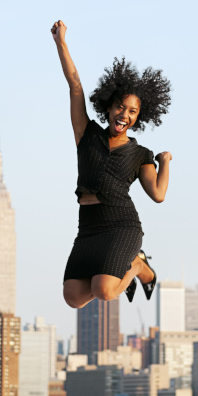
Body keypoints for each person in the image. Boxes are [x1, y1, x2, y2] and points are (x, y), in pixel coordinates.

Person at [51, 20, 172, 308]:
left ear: (139, 116)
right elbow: (75, 86)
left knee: (104, 289)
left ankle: (139, 266)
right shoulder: (86, 134)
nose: (124, 115)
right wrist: (61, 43)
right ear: (108, 106)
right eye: (120, 106)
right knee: (74, 298)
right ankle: (131, 269)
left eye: (132, 111)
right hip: (89, 227)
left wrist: (165, 162)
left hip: (121, 225)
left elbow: (158, 194)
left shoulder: (140, 153)